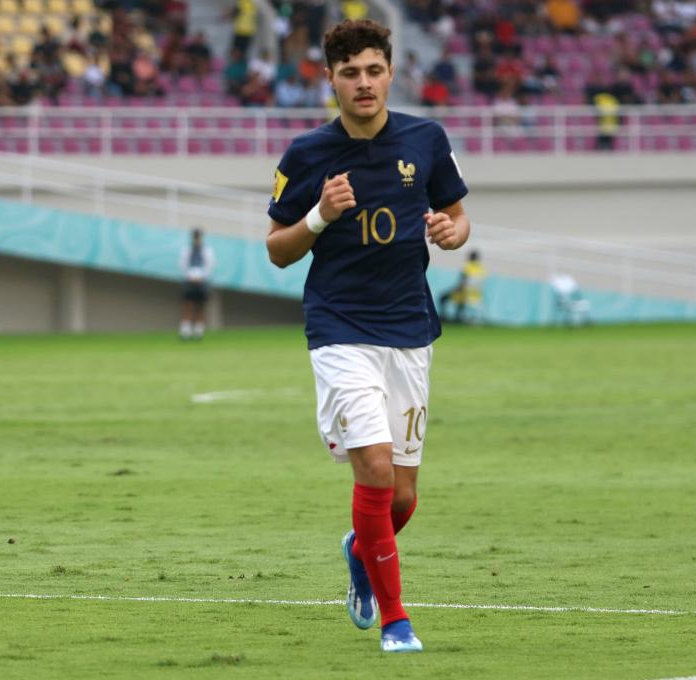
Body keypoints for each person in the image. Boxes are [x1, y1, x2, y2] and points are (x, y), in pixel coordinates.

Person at [265, 19, 470, 654]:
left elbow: (459, 218)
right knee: (376, 471)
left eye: (373, 70)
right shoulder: (305, 155)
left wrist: (449, 231)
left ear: (390, 72)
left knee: (401, 496)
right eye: (349, 72)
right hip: (340, 330)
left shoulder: (427, 139)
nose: (363, 83)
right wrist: (319, 215)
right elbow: (276, 250)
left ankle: (360, 550)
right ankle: (396, 620)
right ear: (329, 78)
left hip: (410, 330)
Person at [178, 228, 215, 340]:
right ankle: (185, 332)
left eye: (198, 236)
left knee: (200, 306)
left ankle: (198, 332)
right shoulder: (187, 249)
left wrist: (202, 277)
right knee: (187, 305)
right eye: (195, 236)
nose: (196, 239)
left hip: (201, 280)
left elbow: (210, 265)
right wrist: (189, 276)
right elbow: (182, 264)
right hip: (189, 280)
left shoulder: (207, 250)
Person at [439, 249, 485, 323]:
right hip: (476, 296)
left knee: (442, 297)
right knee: (459, 297)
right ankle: (459, 317)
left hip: (464, 294)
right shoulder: (482, 270)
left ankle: (444, 317)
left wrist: (454, 290)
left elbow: (462, 284)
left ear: (469, 257)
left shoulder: (467, 267)